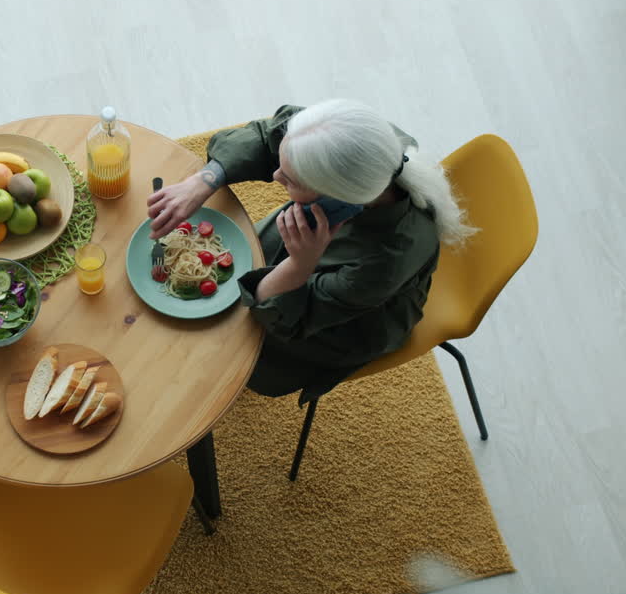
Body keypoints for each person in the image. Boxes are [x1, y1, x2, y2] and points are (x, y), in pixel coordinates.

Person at [147, 100, 475, 403]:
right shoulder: (358, 142)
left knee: (235, 339)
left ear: (338, 196)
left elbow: (292, 318)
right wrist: (205, 180)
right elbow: (269, 135)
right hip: (325, 265)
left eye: (288, 180)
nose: (274, 176)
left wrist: (299, 265)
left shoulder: (385, 261)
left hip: (344, 321)